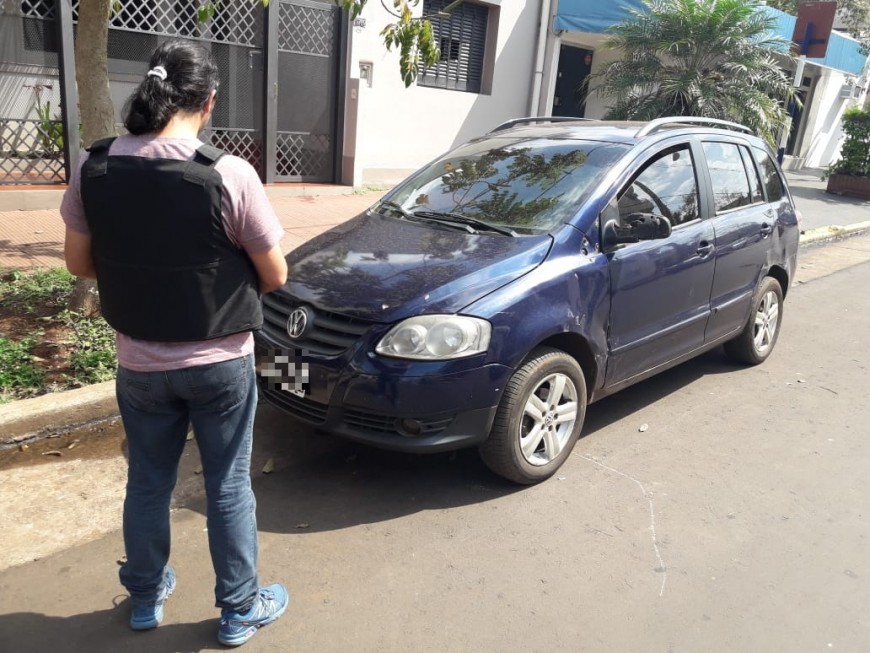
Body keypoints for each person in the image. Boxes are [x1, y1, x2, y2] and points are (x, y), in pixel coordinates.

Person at [60, 39, 289, 647]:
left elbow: (78, 263)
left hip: (139, 362)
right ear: (208, 101)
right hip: (219, 363)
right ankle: (239, 609)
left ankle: (144, 596)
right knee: (229, 485)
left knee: (148, 483)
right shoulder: (227, 173)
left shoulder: (96, 165)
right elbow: (276, 275)